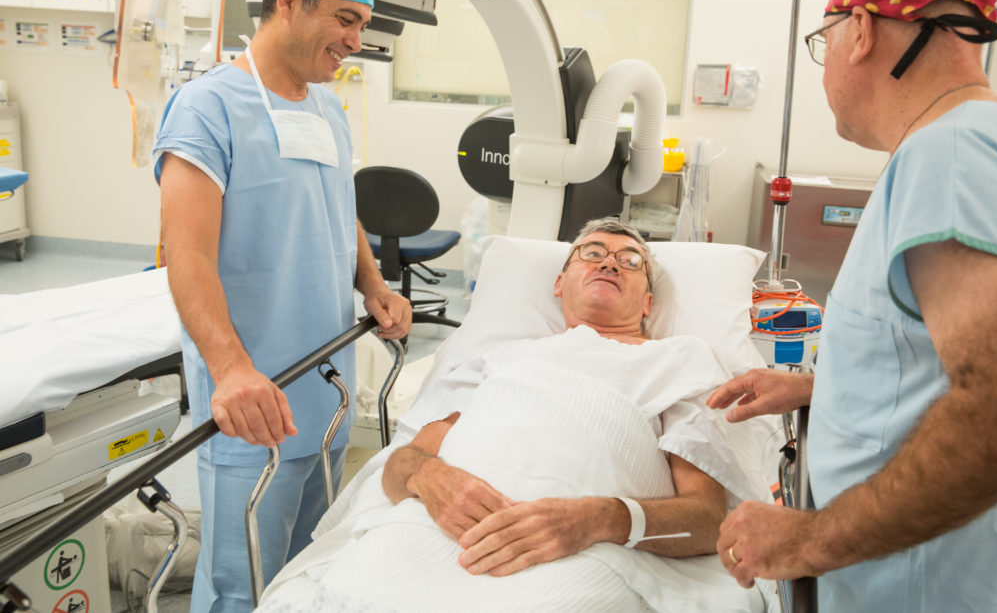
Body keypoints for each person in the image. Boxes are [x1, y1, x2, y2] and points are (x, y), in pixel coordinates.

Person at [706, 0, 997, 610]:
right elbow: (942, 355)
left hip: (928, 584)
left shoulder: (951, 156)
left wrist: (808, 540)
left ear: (859, 31)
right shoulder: (996, 136)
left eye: (822, 43)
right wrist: (823, 387)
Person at [254, 218, 766, 612]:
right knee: (346, 595)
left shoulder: (680, 360)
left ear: (649, 301)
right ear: (559, 284)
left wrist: (601, 518)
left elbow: (705, 519)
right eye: (593, 253)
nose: (610, 262)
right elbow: (401, 463)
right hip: (433, 527)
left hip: (587, 550)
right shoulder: (501, 358)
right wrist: (430, 479)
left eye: (631, 261)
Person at [154, 0, 412, 610]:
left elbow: (338, 206)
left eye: (363, 23)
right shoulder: (206, 108)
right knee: (243, 591)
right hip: (255, 409)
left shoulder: (328, 106)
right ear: (290, 0)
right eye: (347, 19)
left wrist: (375, 284)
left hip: (324, 396)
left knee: (307, 577)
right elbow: (184, 252)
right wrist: (232, 367)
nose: (357, 40)